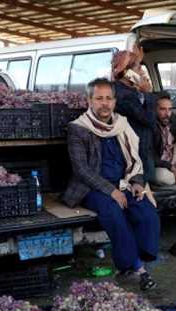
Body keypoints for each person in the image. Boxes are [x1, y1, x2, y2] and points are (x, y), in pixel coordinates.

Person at [64, 78, 159, 291]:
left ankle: (134, 258)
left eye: (109, 98)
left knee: (146, 212)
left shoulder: (121, 125)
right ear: (89, 101)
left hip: (123, 183)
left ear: (115, 102)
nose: (104, 103)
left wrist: (136, 182)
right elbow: (82, 170)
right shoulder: (78, 129)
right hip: (92, 188)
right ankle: (136, 267)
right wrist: (112, 191)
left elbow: (135, 159)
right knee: (113, 212)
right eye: (99, 98)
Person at [112, 48, 158, 184]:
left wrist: (136, 60)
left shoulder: (126, 89)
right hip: (136, 152)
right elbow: (149, 119)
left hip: (141, 149)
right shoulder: (124, 95)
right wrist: (149, 94)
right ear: (128, 72)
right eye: (139, 68)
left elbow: (125, 72)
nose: (142, 73)